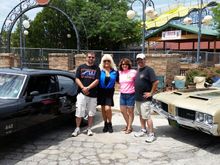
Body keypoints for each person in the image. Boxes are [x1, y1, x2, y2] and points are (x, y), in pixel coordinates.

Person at [72, 51, 100, 137]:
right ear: (86, 58)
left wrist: (88, 88)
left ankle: (89, 129)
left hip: (93, 95)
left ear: (94, 58)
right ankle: (77, 128)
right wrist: (83, 88)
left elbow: (97, 80)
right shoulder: (80, 67)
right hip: (82, 94)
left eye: (92, 57)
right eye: (89, 57)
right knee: (79, 111)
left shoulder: (97, 68)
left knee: (91, 113)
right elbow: (77, 78)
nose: (91, 58)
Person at [134, 53, 159, 143]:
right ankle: (143, 130)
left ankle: (151, 134)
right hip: (138, 98)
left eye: (141, 59)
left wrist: (151, 93)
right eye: (138, 60)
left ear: (145, 60)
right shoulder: (139, 70)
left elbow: (156, 82)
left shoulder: (149, 70)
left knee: (147, 116)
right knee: (141, 115)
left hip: (145, 98)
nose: (140, 61)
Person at [98, 54, 118, 133]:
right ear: (102, 62)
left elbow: (121, 81)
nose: (106, 62)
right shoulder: (100, 71)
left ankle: (110, 123)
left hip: (109, 92)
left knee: (108, 108)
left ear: (111, 62)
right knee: (103, 109)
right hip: (101, 91)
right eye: (105, 61)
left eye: (108, 61)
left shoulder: (115, 72)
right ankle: (105, 123)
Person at [118, 58, 136, 134]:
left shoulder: (133, 72)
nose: (124, 65)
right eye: (123, 64)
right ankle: (129, 125)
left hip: (131, 94)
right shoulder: (119, 73)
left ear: (128, 65)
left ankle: (129, 127)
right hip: (122, 94)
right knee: (123, 111)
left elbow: (138, 81)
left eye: (126, 64)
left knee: (130, 112)